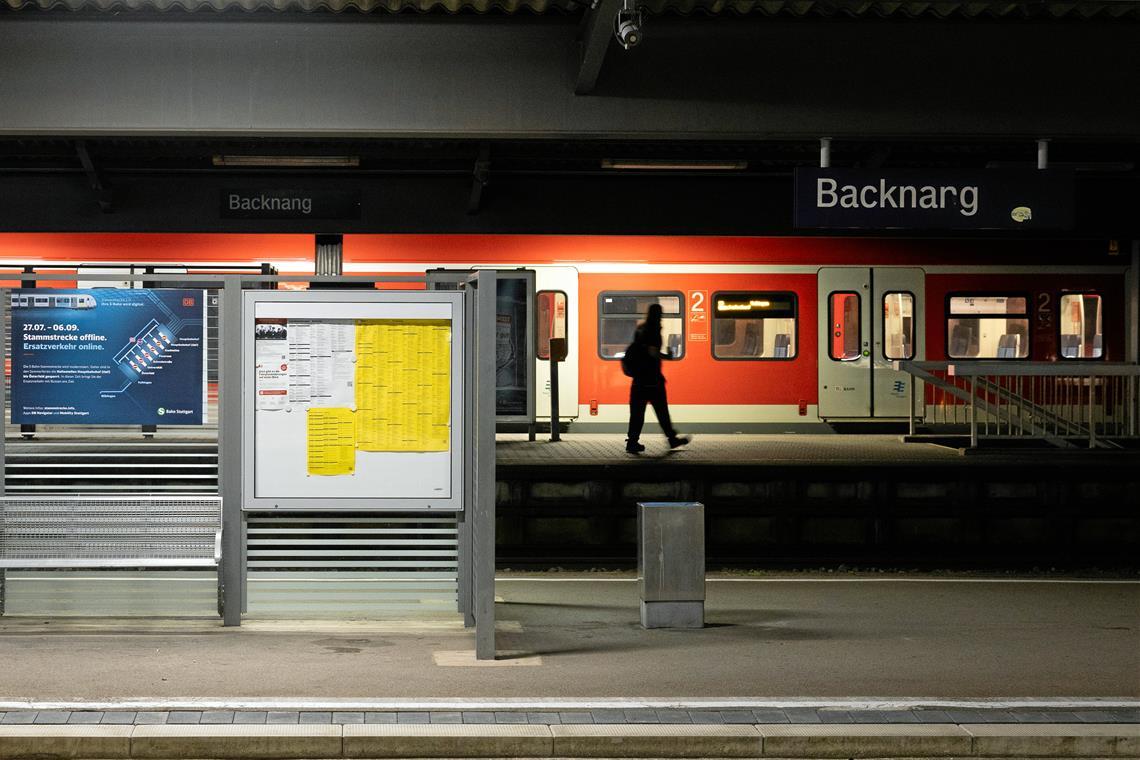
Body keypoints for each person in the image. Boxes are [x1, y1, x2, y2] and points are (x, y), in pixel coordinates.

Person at [625, 303, 690, 454]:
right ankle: (672, 439)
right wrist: (667, 356)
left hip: (639, 379)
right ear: (658, 314)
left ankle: (632, 442)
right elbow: (652, 353)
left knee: (637, 413)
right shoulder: (652, 330)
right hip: (652, 380)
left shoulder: (641, 328)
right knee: (662, 412)